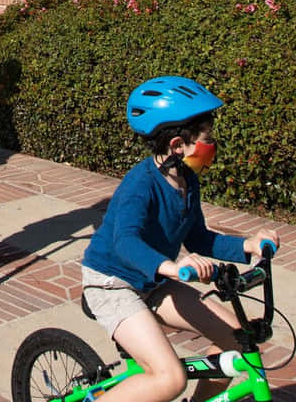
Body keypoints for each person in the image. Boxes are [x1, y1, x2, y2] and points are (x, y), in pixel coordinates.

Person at [79, 76, 280, 402]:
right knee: (170, 379)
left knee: (238, 340)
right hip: (112, 285)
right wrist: (173, 267)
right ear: (176, 146)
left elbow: (198, 237)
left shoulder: (186, 180)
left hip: (155, 283)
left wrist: (249, 246)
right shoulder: (140, 184)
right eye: (207, 139)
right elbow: (125, 243)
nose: (212, 146)